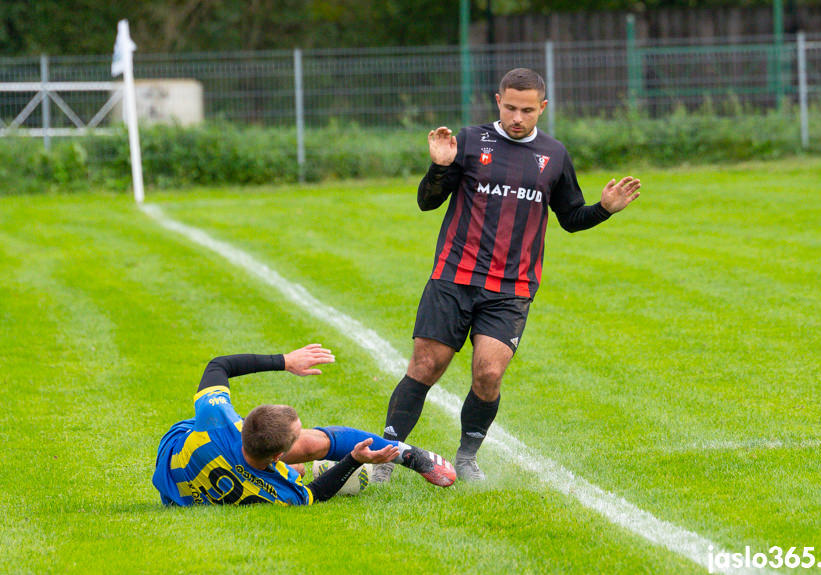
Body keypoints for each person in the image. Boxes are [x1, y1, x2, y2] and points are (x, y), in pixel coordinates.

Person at [372, 68, 641, 483]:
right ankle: (386, 457)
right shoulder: (470, 140)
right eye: (511, 107)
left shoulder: (554, 156)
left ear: (543, 109)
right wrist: (439, 167)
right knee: (426, 366)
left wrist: (603, 209)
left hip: (511, 288)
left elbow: (570, 218)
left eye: (528, 110)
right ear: (498, 101)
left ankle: (466, 457)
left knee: (489, 373)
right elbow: (428, 202)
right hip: (454, 276)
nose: (518, 117)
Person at [152, 344, 456, 507]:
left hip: (177, 472)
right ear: (276, 458)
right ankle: (406, 453)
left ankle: (400, 455)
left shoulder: (216, 419)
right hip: (228, 467)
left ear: (243, 424)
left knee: (299, 463)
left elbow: (218, 365)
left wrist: (285, 360)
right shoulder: (278, 491)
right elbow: (318, 492)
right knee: (311, 447)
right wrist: (354, 459)